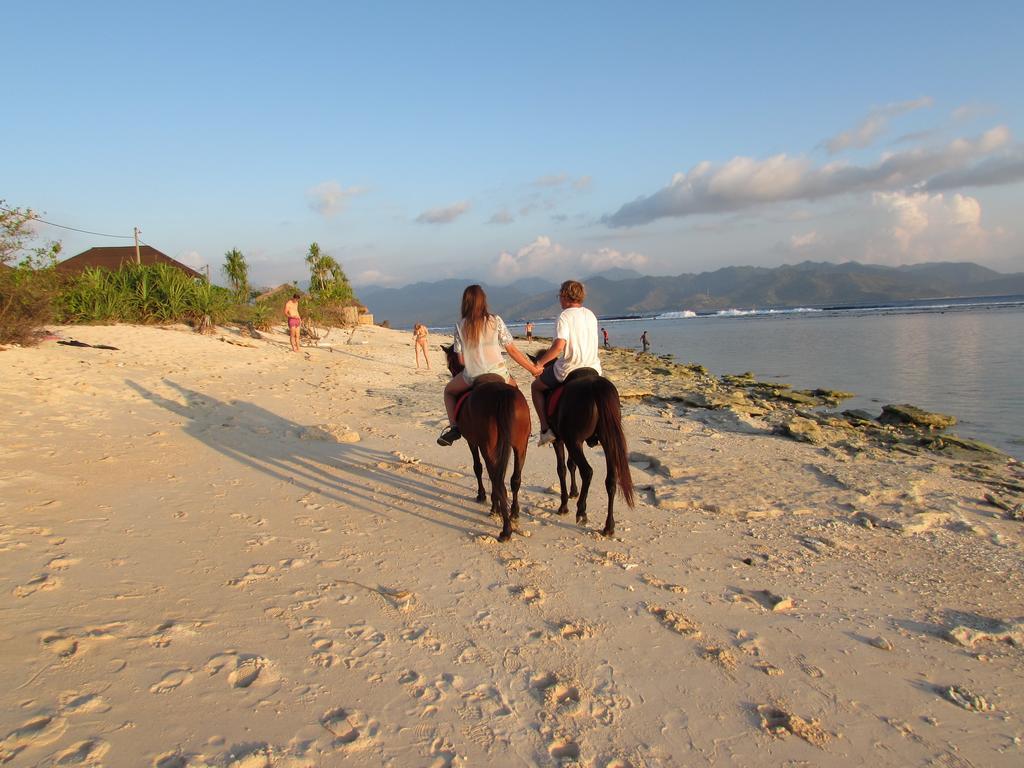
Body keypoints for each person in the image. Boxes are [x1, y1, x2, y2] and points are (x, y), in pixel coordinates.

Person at [438, 285, 541, 446]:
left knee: (449, 392)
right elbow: (512, 350)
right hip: (500, 372)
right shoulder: (496, 320)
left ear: (465, 302)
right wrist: (533, 369)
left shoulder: (460, 325)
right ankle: (525, 428)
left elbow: (462, 360)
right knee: (516, 392)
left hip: (473, 375)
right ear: (483, 301)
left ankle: (454, 428)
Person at [530, 280, 601, 446]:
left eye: (559, 296)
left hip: (570, 368)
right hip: (594, 368)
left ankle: (546, 429)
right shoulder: (590, 314)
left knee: (536, 387)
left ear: (564, 296)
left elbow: (558, 347)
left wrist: (539, 364)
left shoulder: (564, 316)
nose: (559, 300)